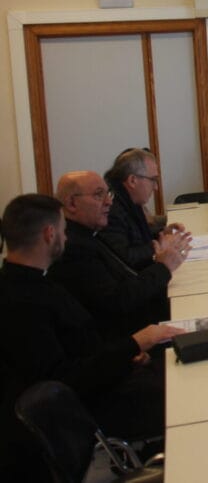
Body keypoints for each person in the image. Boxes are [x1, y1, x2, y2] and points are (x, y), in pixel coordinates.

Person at [0, 194, 182, 481]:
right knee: (190, 390)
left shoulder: (29, 284)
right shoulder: (23, 303)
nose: (66, 237)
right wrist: (134, 344)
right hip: (94, 407)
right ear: (49, 234)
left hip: (107, 383)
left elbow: (80, 347)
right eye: (63, 230)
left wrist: (126, 354)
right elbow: (65, 378)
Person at [48, 171, 187, 338]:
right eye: (99, 195)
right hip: (133, 336)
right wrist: (163, 267)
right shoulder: (74, 248)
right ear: (72, 203)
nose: (109, 202)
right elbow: (117, 302)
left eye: (108, 194)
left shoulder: (88, 234)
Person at [100, 147, 192, 271]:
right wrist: (160, 245)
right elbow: (124, 259)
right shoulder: (112, 210)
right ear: (132, 180)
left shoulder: (129, 200)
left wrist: (162, 233)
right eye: (153, 180)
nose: (156, 187)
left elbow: (139, 238)